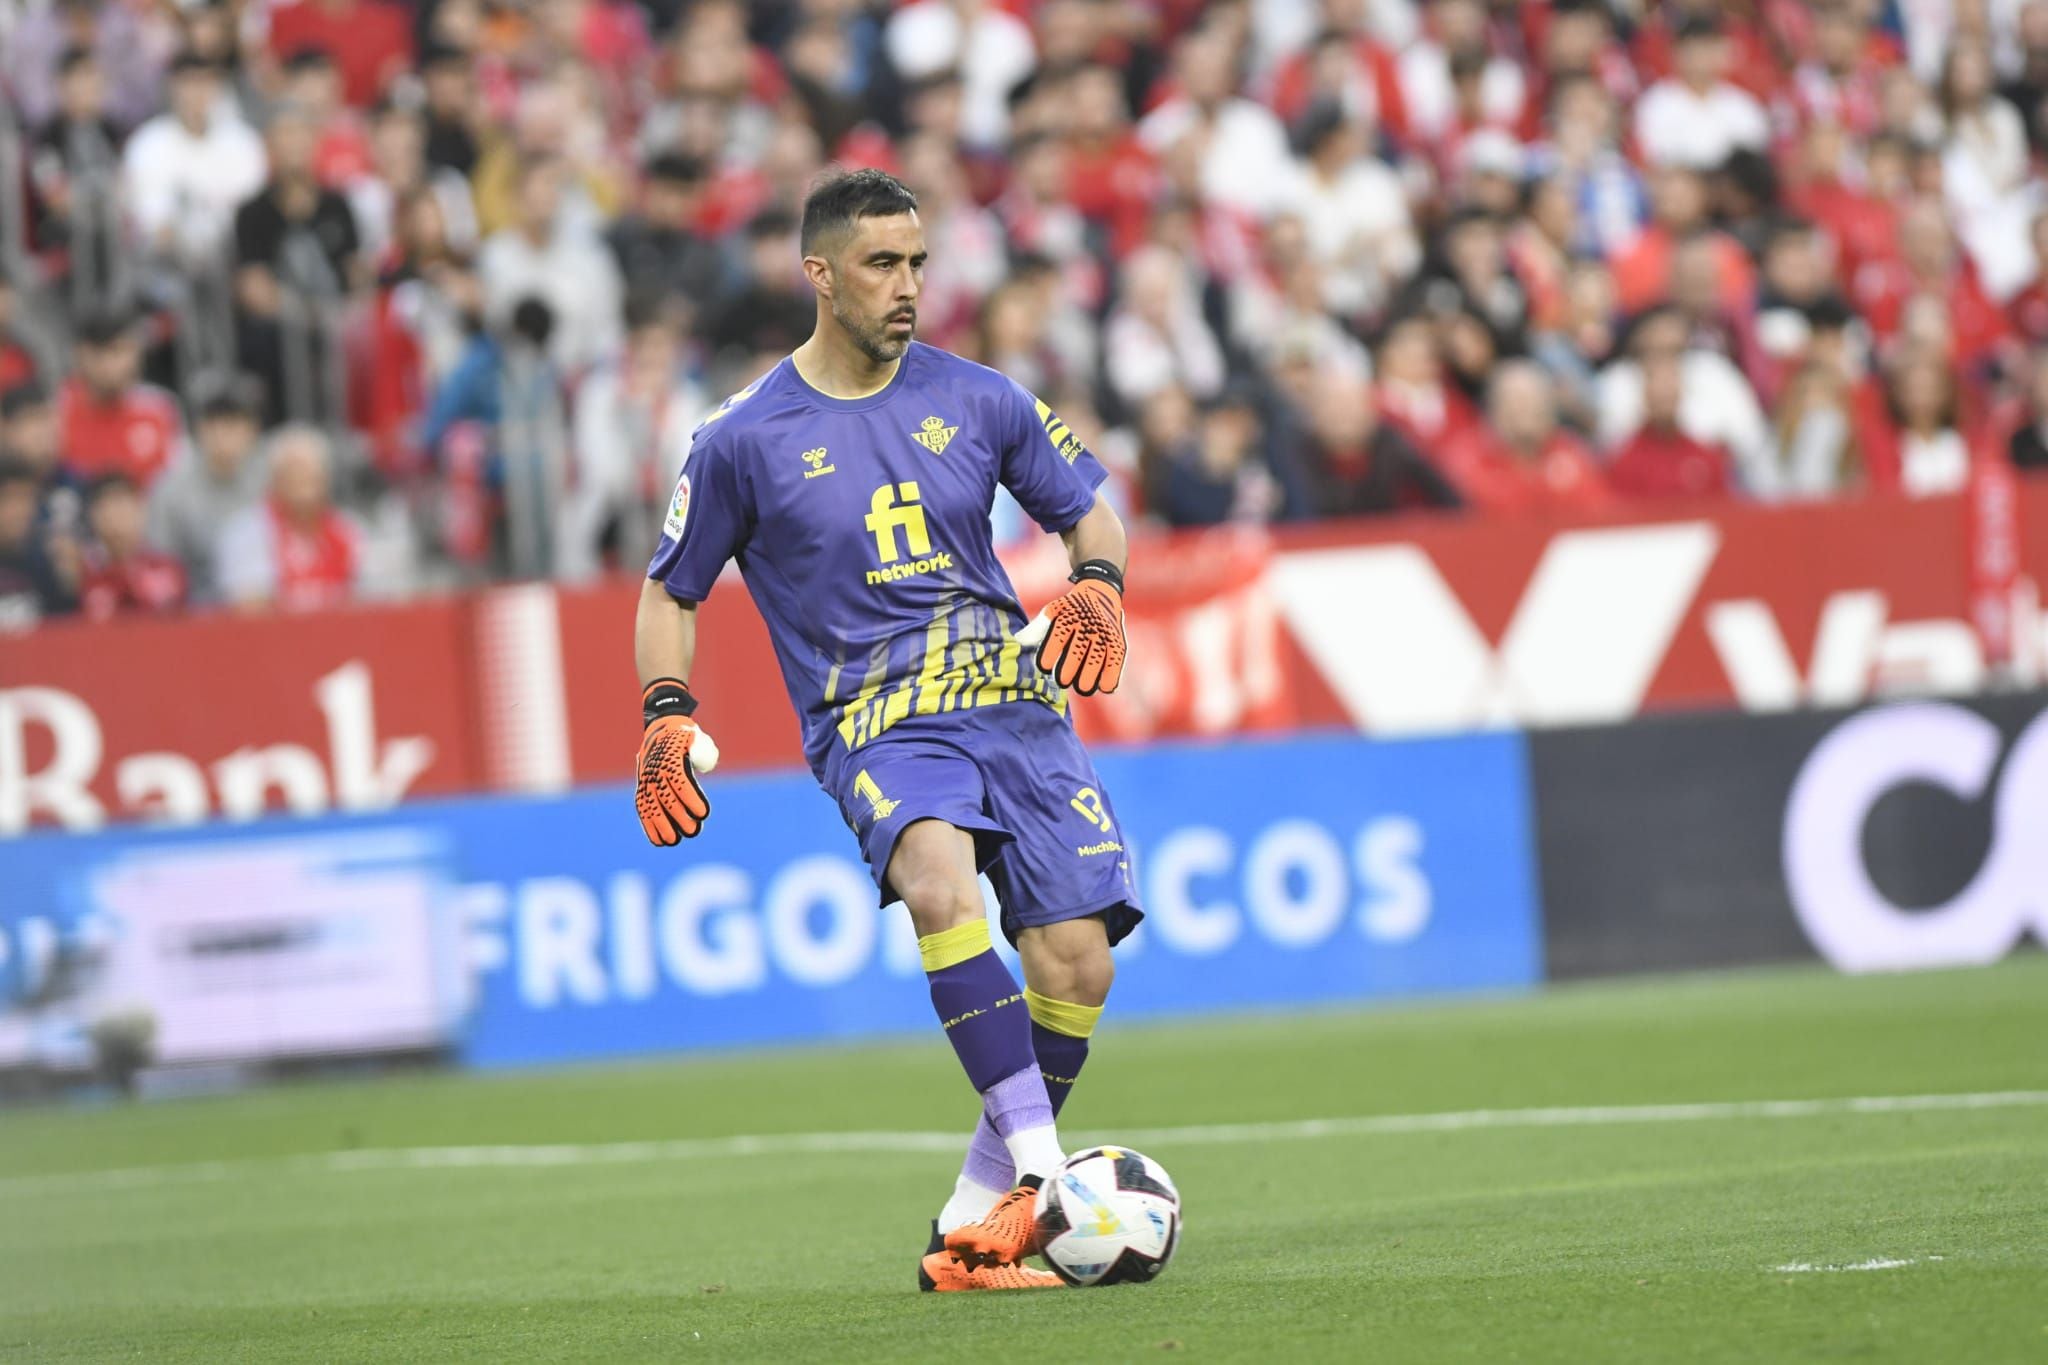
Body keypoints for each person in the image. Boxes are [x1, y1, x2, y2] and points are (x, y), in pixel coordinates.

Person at [634, 169, 1138, 1294]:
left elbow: (1086, 507)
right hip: (875, 716)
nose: (907, 285)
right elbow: (670, 591)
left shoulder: (981, 396)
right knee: (937, 882)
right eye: (880, 264)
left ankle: (973, 1221)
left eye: (916, 261)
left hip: (1010, 703)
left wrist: (1096, 583)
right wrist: (666, 713)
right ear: (817, 275)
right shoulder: (741, 438)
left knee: (1077, 963)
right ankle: (1050, 1185)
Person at [147, 372, 268, 603]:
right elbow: (159, 564)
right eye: (213, 423)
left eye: (233, 423)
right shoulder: (172, 490)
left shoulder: (271, 481)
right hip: (195, 613)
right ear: (198, 429)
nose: (222, 435)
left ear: (253, 429)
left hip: (265, 610)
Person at [215, 424, 362, 610]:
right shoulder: (247, 533)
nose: (303, 482)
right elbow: (250, 609)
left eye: (310, 473)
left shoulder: (347, 529)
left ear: (325, 479)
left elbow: (366, 598)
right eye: (293, 473)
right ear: (275, 479)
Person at [77, 473, 188, 620]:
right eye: (107, 509)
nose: (115, 519)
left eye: (122, 506)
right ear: (93, 516)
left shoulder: (167, 569)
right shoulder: (85, 573)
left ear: (141, 511)